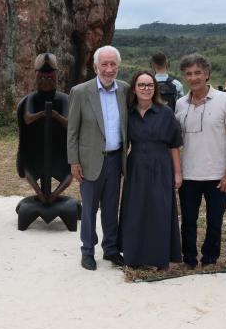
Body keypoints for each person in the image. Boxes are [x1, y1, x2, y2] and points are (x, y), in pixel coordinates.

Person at [175, 54, 226, 269]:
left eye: (198, 73)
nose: (193, 78)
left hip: (217, 174)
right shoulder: (180, 104)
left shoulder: (225, 100)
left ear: (207, 74)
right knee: (188, 220)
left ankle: (210, 259)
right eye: (189, 74)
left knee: (214, 221)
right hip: (189, 174)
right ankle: (189, 259)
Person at [67, 45, 129, 271]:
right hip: (89, 162)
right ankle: (87, 251)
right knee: (89, 209)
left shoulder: (125, 90)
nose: (109, 69)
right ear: (95, 67)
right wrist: (74, 161)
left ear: (118, 67)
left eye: (113, 64)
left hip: (115, 160)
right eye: (104, 64)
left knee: (111, 208)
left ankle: (111, 249)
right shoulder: (80, 92)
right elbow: (72, 131)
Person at [119, 71, 183, 270]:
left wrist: (178, 173)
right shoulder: (127, 113)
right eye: (141, 85)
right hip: (136, 165)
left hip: (161, 165)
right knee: (135, 211)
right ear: (134, 88)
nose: (146, 89)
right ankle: (134, 256)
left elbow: (174, 145)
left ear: (155, 88)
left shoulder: (166, 112)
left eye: (149, 85)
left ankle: (159, 257)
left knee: (159, 210)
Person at [16, 52, 71, 203]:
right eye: (42, 77)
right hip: (37, 148)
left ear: (56, 77)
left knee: (70, 171)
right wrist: (43, 114)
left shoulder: (64, 99)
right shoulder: (32, 98)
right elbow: (27, 118)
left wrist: (55, 116)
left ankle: (54, 195)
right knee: (27, 168)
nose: (46, 81)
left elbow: (68, 123)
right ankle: (40, 194)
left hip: (59, 149)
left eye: (50, 77)